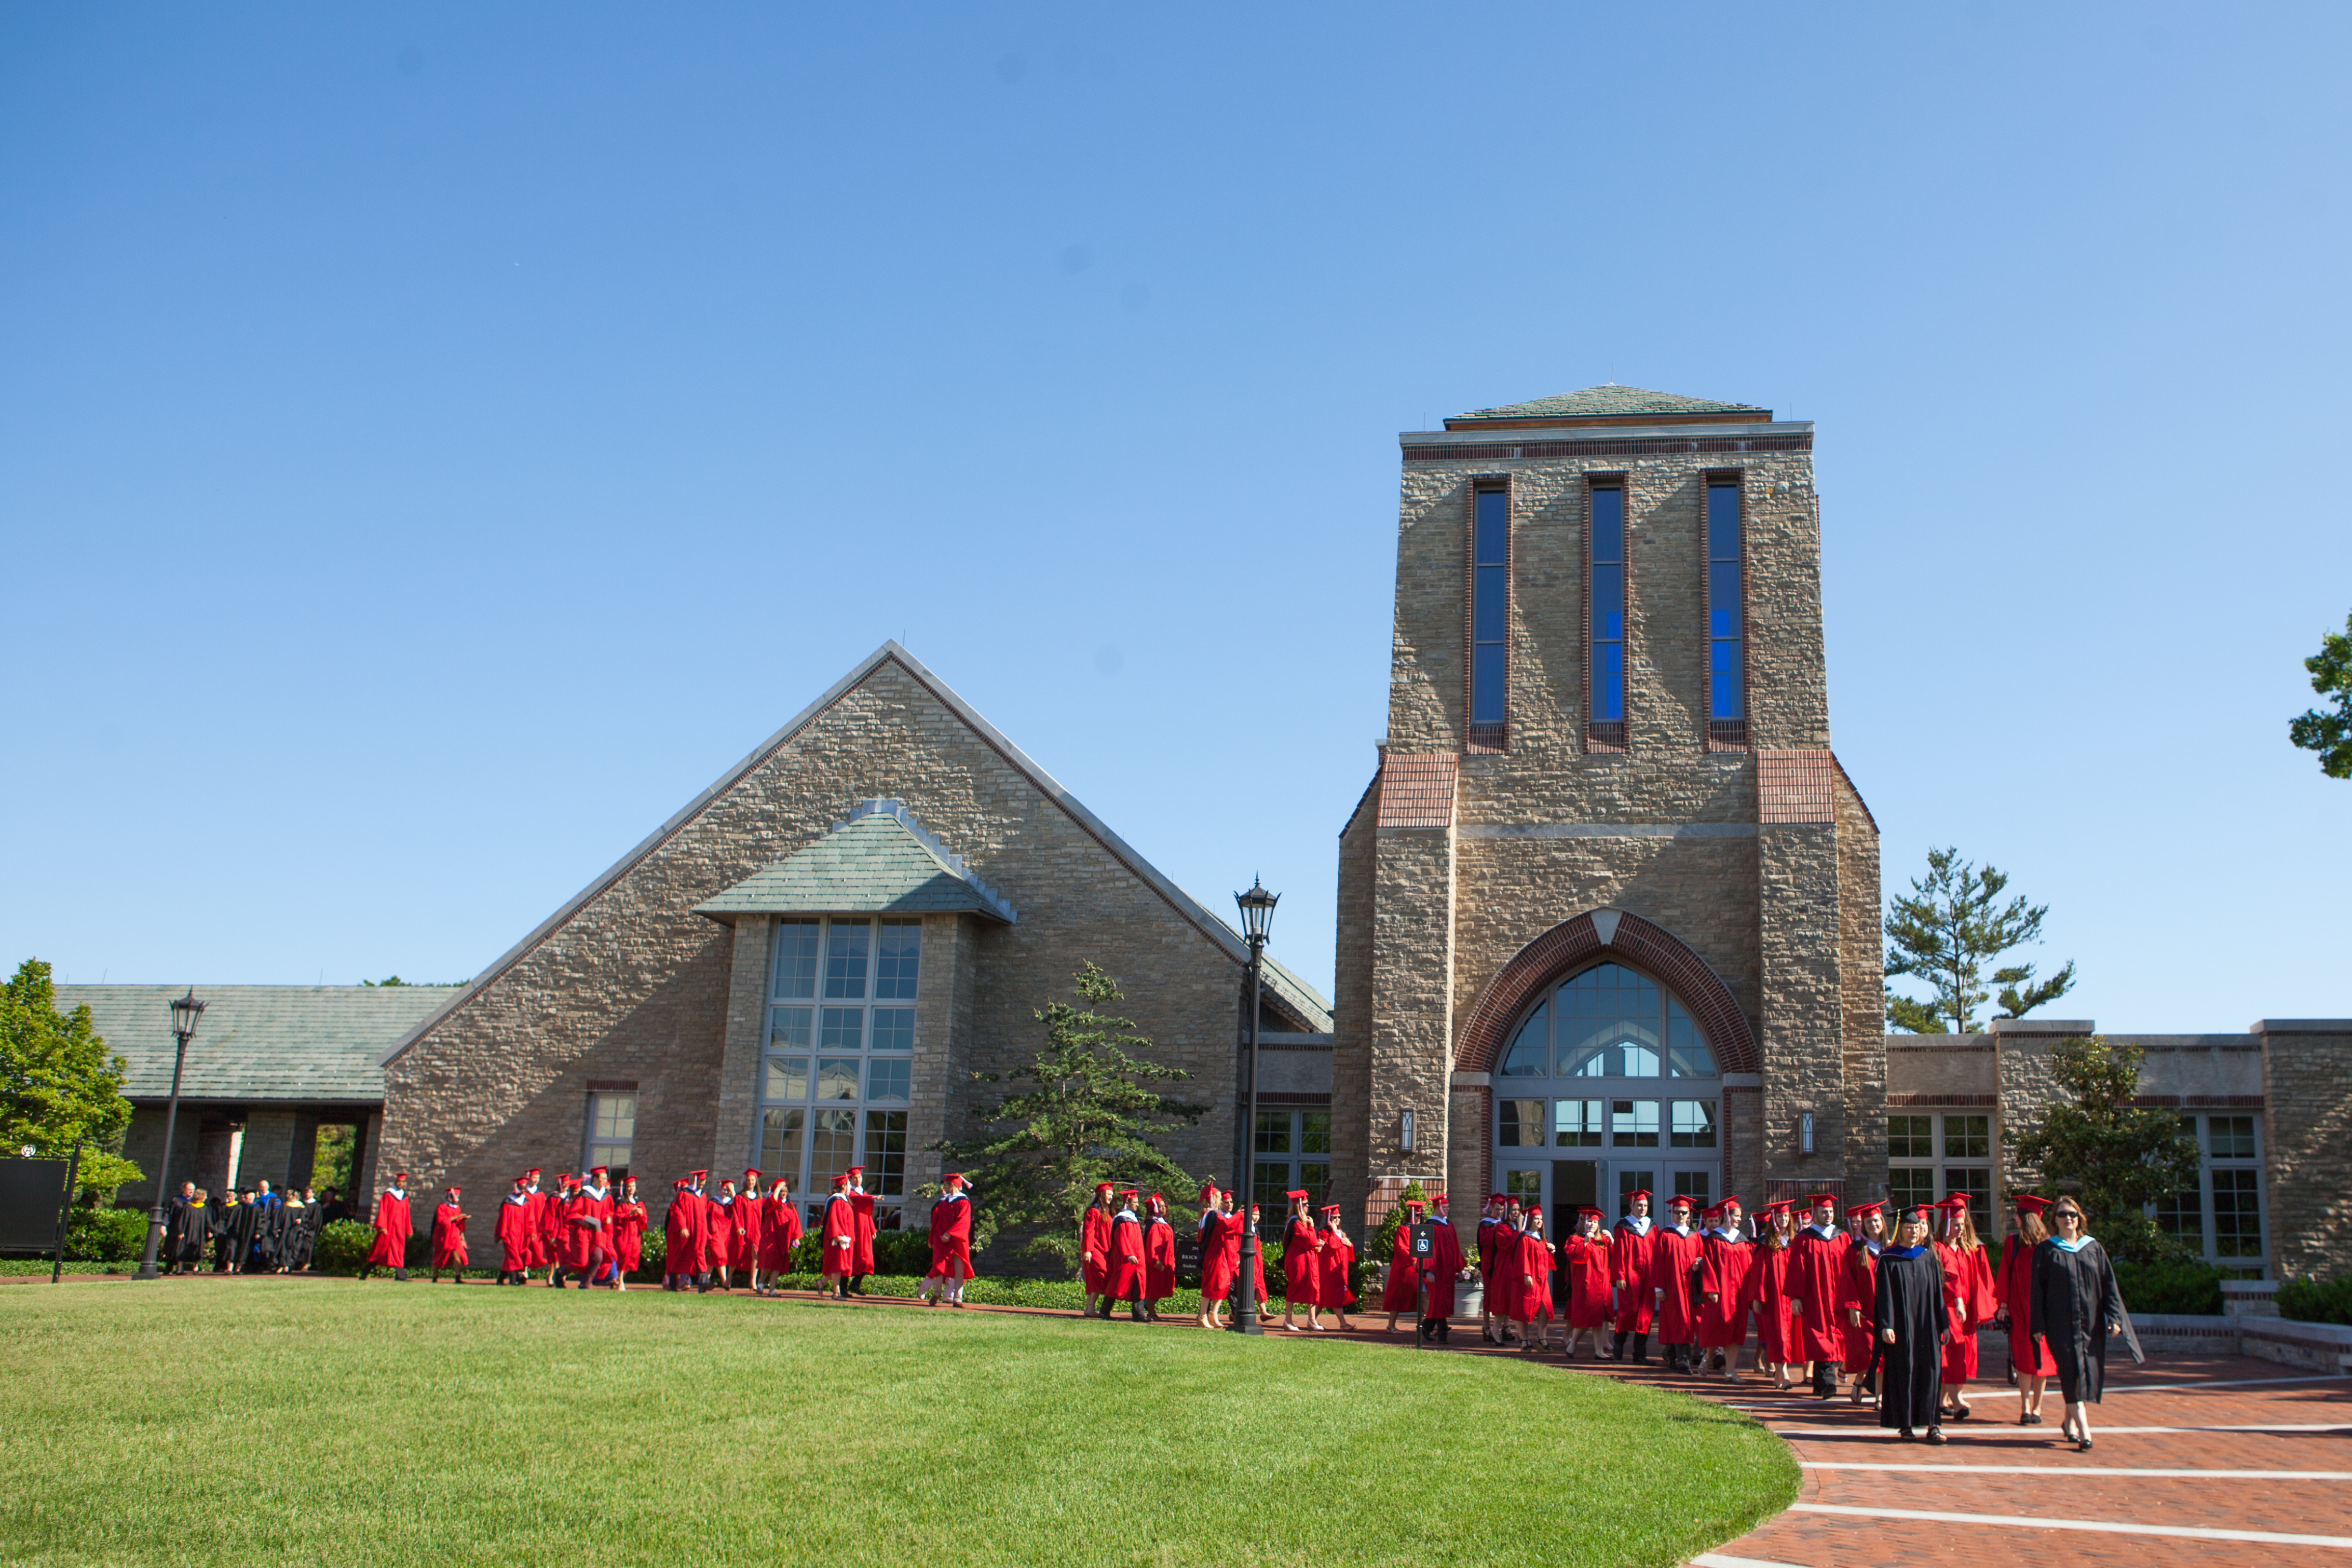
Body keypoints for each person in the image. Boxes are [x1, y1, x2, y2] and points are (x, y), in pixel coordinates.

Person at [2030, 1195, 2144, 1453]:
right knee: (2071, 1372)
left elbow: (2109, 1287)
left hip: (2090, 1324)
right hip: (2059, 1325)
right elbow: (2036, 1292)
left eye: (2072, 1214)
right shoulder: (2047, 1250)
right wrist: (2038, 1325)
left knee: (2085, 1373)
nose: (2068, 1218)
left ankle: (2069, 1421)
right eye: (2062, 1215)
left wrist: (2114, 1318)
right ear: (2055, 1220)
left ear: (2079, 1218)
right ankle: (2085, 1432)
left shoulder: (2093, 1248)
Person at [1874, 1204, 1950, 1444]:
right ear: (1901, 1230)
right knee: (1904, 1372)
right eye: (1909, 1227)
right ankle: (1905, 1425)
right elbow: (1883, 1296)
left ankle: (1933, 1424)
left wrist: (1944, 1324)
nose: (1914, 1231)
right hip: (1903, 1329)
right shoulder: (1889, 1259)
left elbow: (1938, 1294)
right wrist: (1887, 1325)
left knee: (1930, 1372)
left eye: (1917, 1227)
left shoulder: (1928, 1257)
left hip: (1927, 1328)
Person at [1994, 1193, 2058, 1426]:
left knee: (2043, 1358)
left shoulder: (2049, 1246)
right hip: (2020, 1310)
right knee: (2022, 1357)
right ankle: (2025, 1406)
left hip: (2042, 1311)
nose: (2014, 1217)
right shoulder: (2013, 1243)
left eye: (2017, 1214)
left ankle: (2038, 1406)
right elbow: (2006, 1273)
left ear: (2025, 1218)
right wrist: (2003, 1306)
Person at [1934, 1195, 1994, 1422]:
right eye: (1956, 1224)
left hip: (1965, 1312)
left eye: (1962, 1225)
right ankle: (1957, 1401)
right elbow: (1944, 1280)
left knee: (1963, 1352)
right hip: (1947, 1309)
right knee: (1951, 1352)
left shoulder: (1963, 1250)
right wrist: (1956, 1299)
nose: (1960, 1229)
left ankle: (1943, 1400)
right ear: (1946, 1224)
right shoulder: (1938, 1248)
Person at [1786, 1193, 1848, 1397]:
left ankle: (1822, 1384)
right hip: (1815, 1297)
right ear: (1815, 1213)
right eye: (1824, 1211)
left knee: (1837, 1336)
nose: (1828, 1215)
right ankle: (1827, 1381)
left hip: (1838, 1296)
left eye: (1830, 1211)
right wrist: (1796, 1297)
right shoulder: (1805, 1239)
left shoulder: (1842, 1237)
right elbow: (1797, 1270)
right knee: (1820, 1336)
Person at [1697, 1197, 1758, 1382]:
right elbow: (1708, 1266)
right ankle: (1708, 1356)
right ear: (1727, 1217)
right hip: (1721, 1292)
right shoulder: (1714, 1240)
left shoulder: (1742, 1240)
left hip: (1739, 1293)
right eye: (1737, 1216)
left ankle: (1730, 1372)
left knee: (1736, 1330)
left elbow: (1749, 1267)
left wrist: (1750, 1293)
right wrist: (1712, 1290)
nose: (1740, 1219)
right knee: (1719, 1327)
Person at [1650, 1194, 1705, 1373]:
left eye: (1683, 1213)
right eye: (1677, 1213)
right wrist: (1659, 1288)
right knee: (1679, 1322)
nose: (1680, 1216)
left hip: (1690, 1288)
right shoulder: (1664, 1235)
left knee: (1686, 1322)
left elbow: (1701, 1256)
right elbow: (1657, 1263)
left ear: (1689, 1214)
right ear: (1672, 1214)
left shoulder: (1695, 1236)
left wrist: (1699, 1262)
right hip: (1672, 1287)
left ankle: (1669, 1353)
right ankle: (1684, 1361)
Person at [1842, 1200, 1888, 1406]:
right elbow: (1847, 1282)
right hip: (1865, 1310)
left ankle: (1880, 1398)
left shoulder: (1891, 1249)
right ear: (1863, 1225)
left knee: (1885, 1356)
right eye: (1869, 1222)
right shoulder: (1854, 1251)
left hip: (1888, 1311)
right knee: (1869, 1353)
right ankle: (1860, 1380)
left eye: (1876, 1221)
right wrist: (1853, 1307)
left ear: (1883, 1222)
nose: (1873, 1225)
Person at [1752, 1202, 1798, 1390]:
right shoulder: (1766, 1243)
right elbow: (1759, 1272)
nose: (1784, 1219)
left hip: (1791, 1297)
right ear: (1774, 1219)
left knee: (1788, 1336)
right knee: (1778, 1334)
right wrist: (1757, 1297)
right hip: (1773, 1297)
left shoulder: (1794, 1242)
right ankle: (1784, 1373)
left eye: (1786, 1217)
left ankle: (1779, 1373)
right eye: (1780, 1217)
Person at [1609, 1190, 1658, 1363]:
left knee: (1646, 1314)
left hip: (1648, 1276)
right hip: (1630, 1274)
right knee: (1627, 1310)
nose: (1643, 1208)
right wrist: (1620, 1276)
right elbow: (1619, 1253)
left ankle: (1640, 1355)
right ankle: (1618, 1348)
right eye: (1639, 1205)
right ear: (1632, 1206)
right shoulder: (1623, 1226)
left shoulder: (1652, 1227)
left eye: (1645, 1205)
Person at [1559, 1206, 1613, 1360]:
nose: (1591, 1225)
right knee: (1585, 1320)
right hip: (1586, 1285)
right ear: (1583, 1223)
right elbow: (1575, 1257)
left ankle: (1598, 1351)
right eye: (1589, 1221)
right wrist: (1586, 1242)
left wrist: (1613, 1241)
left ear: (1598, 1225)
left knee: (1598, 1319)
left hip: (1602, 1285)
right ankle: (1572, 1345)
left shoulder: (1603, 1241)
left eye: (1594, 1222)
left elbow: (1616, 1259)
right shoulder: (1574, 1240)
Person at [922, 1174, 977, 1308]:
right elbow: (935, 1222)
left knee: (959, 1270)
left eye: (945, 1185)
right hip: (942, 1241)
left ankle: (958, 1299)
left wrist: (950, 1234)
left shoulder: (964, 1202)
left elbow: (963, 1222)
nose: (944, 1188)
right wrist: (931, 1239)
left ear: (952, 1185)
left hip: (957, 1242)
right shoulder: (943, 1203)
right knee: (939, 1267)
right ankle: (936, 1293)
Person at [1420, 1193, 1463, 1343]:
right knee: (1438, 1301)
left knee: (1442, 1301)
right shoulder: (1430, 1226)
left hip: (1448, 1271)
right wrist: (1430, 1270)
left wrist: (1459, 1268)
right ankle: (1443, 1334)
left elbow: (1456, 1248)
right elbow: (1427, 1250)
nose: (1448, 1210)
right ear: (1437, 1208)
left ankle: (1425, 1328)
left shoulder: (1449, 1225)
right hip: (1437, 1271)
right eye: (1445, 1207)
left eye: (1448, 1207)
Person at [1279, 1190, 1324, 1332]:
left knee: (1313, 1288)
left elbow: (1313, 1243)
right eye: (1305, 1204)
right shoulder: (1296, 1223)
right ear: (1299, 1206)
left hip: (1308, 1260)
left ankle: (1312, 1321)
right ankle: (1288, 1321)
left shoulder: (1301, 1222)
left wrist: (1317, 1244)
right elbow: (1310, 1240)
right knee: (1295, 1288)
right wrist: (1311, 1227)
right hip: (1298, 1261)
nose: (1308, 1206)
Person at [1514, 1204, 1556, 1354]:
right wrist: (1526, 1274)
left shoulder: (1542, 1239)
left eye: (1541, 1219)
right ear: (1530, 1220)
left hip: (1542, 1281)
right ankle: (1524, 1339)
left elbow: (1545, 1261)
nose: (1539, 1222)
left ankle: (1541, 1339)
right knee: (1523, 1309)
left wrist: (1550, 1250)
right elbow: (1522, 1257)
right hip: (1529, 1280)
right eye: (1536, 1219)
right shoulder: (1525, 1238)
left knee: (1545, 1307)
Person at [563, 1167, 614, 1288]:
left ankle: (585, 1285)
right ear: (595, 1179)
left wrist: (608, 1218)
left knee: (598, 1257)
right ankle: (560, 1273)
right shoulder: (584, 1195)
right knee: (581, 1262)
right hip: (584, 1232)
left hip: (598, 1233)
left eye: (606, 1179)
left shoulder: (606, 1196)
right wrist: (585, 1221)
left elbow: (610, 1212)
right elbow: (573, 1213)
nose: (605, 1182)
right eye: (603, 1179)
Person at [1101, 1189, 1148, 1322]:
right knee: (1117, 1284)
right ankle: (1104, 1311)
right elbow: (1122, 1238)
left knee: (1138, 1286)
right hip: (1125, 1259)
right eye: (1135, 1202)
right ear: (1127, 1202)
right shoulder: (1121, 1219)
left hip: (1137, 1259)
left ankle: (1139, 1315)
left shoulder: (1133, 1219)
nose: (1138, 1205)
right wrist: (1128, 1255)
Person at [1379, 1198, 1425, 1333]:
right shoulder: (1404, 1229)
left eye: (1420, 1215)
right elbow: (1401, 1247)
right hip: (1404, 1268)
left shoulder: (1422, 1231)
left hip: (1418, 1269)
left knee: (1423, 1296)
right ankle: (1391, 1326)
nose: (1418, 1218)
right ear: (1410, 1215)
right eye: (1416, 1215)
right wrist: (1414, 1260)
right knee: (1398, 1297)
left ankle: (1427, 1326)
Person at [1197, 1182, 1238, 1329]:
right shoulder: (1213, 1214)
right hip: (1214, 1253)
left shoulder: (1208, 1214)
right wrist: (1241, 1216)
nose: (1222, 1202)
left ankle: (1213, 1314)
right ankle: (1202, 1315)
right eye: (1220, 1198)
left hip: (1217, 1252)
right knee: (1211, 1284)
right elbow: (1227, 1226)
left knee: (1223, 1283)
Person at [360, 1171, 412, 1283]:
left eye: (402, 1182)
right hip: (388, 1229)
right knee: (380, 1251)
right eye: (399, 1181)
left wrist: (408, 1229)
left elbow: (407, 1214)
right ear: (395, 1182)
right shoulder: (388, 1195)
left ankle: (400, 1276)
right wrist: (382, 1226)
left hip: (399, 1230)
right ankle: (365, 1272)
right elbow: (383, 1211)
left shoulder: (405, 1197)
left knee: (398, 1252)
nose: (400, 1184)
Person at [663, 1174, 709, 1292]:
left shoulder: (703, 1195)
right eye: (700, 1181)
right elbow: (678, 1211)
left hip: (700, 1230)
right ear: (695, 1180)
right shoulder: (684, 1194)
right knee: (681, 1255)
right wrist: (683, 1227)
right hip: (688, 1231)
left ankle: (703, 1283)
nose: (702, 1183)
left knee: (700, 1254)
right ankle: (673, 1282)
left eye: (703, 1181)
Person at [756, 1177, 800, 1294]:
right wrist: (777, 1188)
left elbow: (795, 1221)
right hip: (771, 1236)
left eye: (785, 1191)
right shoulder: (771, 1203)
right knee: (769, 1262)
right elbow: (773, 1201)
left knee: (777, 1265)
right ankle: (761, 1282)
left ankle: (771, 1290)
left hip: (783, 1239)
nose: (783, 1193)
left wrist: (796, 1237)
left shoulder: (790, 1205)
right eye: (781, 1191)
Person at [1315, 1204, 1355, 1330]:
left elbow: (1347, 1251)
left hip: (1340, 1268)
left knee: (1324, 1297)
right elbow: (1333, 1245)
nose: (1337, 1220)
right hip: (1329, 1269)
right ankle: (1343, 1324)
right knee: (1334, 1296)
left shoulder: (1342, 1234)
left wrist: (1350, 1245)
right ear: (1329, 1220)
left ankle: (1312, 1321)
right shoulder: (1324, 1233)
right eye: (1334, 1218)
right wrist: (1332, 1231)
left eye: (1338, 1217)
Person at [819, 1174, 857, 1298]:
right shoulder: (837, 1201)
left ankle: (821, 1282)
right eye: (849, 1184)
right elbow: (834, 1220)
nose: (851, 1187)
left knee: (841, 1266)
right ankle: (836, 1293)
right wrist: (838, 1236)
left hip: (845, 1239)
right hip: (837, 1239)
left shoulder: (844, 1200)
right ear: (844, 1185)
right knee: (838, 1266)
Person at [1476, 1195, 1508, 1344]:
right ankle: (1486, 1326)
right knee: (1489, 1294)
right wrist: (1496, 1231)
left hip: (1500, 1262)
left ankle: (1505, 1326)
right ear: (1491, 1208)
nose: (1499, 1212)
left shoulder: (1504, 1223)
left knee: (1503, 1294)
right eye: (1497, 1209)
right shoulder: (1486, 1224)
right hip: (1489, 1262)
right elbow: (1483, 1241)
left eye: (1502, 1210)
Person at [1144, 1193, 1179, 1322]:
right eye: (1160, 1206)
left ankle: (1149, 1309)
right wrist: (1157, 1260)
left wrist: (1172, 1260)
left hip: (1166, 1259)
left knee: (1160, 1286)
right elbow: (1155, 1243)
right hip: (1157, 1261)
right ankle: (1151, 1312)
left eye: (1164, 1206)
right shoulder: (1154, 1224)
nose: (1164, 1208)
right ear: (1154, 1208)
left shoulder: (1163, 1223)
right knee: (1153, 1286)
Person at [1081, 1182, 1114, 1318]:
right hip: (1094, 1248)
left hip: (1104, 1249)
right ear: (1101, 1194)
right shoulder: (1093, 1211)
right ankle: (1091, 1308)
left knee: (1098, 1278)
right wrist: (1088, 1250)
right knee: (1100, 1275)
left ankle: (1089, 1309)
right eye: (1109, 1194)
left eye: (1112, 1195)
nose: (1111, 1197)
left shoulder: (1106, 1211)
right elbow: (1089, 1232)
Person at [495, 1175, 535, 1285]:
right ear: (516, 1187)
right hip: (510, 1234)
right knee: (513, 1256)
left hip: (522, 1235)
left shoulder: (526, 1202)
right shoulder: (508, 1202)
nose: (523, 1190)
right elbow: (502, 1220)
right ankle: (514, 1280)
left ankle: (501, 1279)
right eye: (521, 1188)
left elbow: (531, 1219)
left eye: (524, 1188)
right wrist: (500, 1234)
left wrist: (532, 1231)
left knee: (513, 1256)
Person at [611, 1175, 648, 1291]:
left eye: (633, 1186)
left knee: (633, 1257)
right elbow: (617, 1218)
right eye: (629, 1186)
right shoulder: (621, 1202)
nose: (631, 1189)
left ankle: (618, 1279)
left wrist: (641, 1214)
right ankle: (620, 1281)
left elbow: (644, 1222)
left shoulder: (638, 1203)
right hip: (624, 1234)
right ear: (625, 1188)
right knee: (623, 1255)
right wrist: (629, 1213)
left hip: (635, 1234)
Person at [733, 1169, 765, 1292]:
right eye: (748, 1180)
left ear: (755, 1181)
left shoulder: (760, 1198)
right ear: (745, 1182)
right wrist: (738, 1227)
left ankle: (753, 1281)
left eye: (752, 1180)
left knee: (756, 1253)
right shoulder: (740, 1197)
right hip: (744, 1229)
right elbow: (736, 1213)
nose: (751, 1182)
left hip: (756, 1230)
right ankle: (728, 1279)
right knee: (738, 1254)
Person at [430, 1186, 469, 1284]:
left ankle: (458, 1277)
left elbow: (458, 1222)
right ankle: (435, 1277)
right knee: (439, 1257)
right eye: (457, 1195)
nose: (458, 1198)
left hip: (455, 1235)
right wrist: (458, 1217)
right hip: (443, 1236)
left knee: (457, 1255)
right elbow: (441, 1221)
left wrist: (463, 1219)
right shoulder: (442, 1207)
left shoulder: (457, 1208)